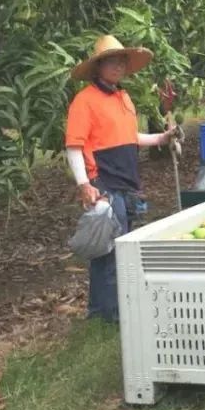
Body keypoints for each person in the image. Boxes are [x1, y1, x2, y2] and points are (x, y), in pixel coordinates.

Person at [65, 34, 178, 323]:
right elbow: (75, 145)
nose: (117, 67)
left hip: (127, 182)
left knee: (120, 251)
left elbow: (130, 137)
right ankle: (106, 315)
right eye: (111, 62)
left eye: (121, 62)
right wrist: (84, 184)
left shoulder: (123, 97)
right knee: (107, 252)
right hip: (104, 183)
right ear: (98, 67)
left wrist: (161, 138)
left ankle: (109, 311)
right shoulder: (84, 101)